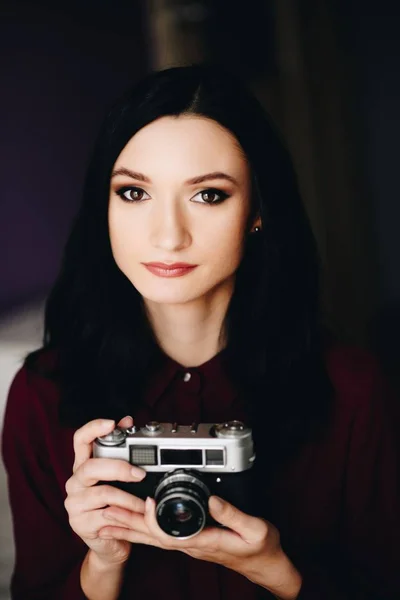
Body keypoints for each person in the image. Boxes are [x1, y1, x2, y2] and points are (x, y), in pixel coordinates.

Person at [1, 64, 399, 600]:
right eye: (134, 194)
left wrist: (276, 569)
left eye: (208, 195)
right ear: (105, 206)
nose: (168, 236)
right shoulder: (41, 395)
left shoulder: (352, 389)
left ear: (257, 209)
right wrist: (102, 563)